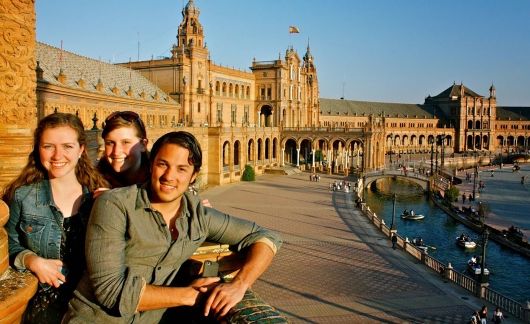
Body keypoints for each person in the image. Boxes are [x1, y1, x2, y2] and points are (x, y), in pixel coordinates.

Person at [64, 131, 282, 322]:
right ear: (151, 165)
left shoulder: (198, 216)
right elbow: (110, 291)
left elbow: (265, 237)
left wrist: (240, 284)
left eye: (181, 169)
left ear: (194, 175)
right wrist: (190, 295)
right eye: (163, 164)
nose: (169, 176)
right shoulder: (114, 204)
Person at [3, 113, 109, 324]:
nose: (57, 155)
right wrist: (31, 260)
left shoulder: (102, 198)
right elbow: (8, 242)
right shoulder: (22, 197)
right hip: (42, 309)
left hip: (89, 309)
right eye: (48, 146)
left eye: (67, 147)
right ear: (38, 149)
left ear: (81, 150)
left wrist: (112, 206)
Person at [97, 111, 150, 188]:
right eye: (110, 143)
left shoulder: (159, 182)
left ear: (143, 145)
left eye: (126, 142)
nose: (116, 152)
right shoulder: (92, 182)